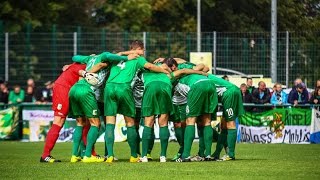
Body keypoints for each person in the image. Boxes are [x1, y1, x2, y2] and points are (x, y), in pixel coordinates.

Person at [104, 40, 170, 163]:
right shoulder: (138, 60)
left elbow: (109, 55)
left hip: (109, 87)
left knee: (109, 122)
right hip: (126, 90)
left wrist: (127, 53)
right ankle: (135, 155)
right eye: (143, 50)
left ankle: (110, 155)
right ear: (139, 49)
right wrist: (163, 70)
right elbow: (150, 66)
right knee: (132, 123)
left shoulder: (116, 58)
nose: (143, 52)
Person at [69, 52, 139, 163]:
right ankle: (88, 155)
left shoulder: (90, 58)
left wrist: (89, 59)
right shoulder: (104, 58)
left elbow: (74, 57)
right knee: (96, 124)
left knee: (80, 123)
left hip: (74, 89)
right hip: (88, 91)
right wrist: (126, 57)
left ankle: (74, 155)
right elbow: (107, 55)